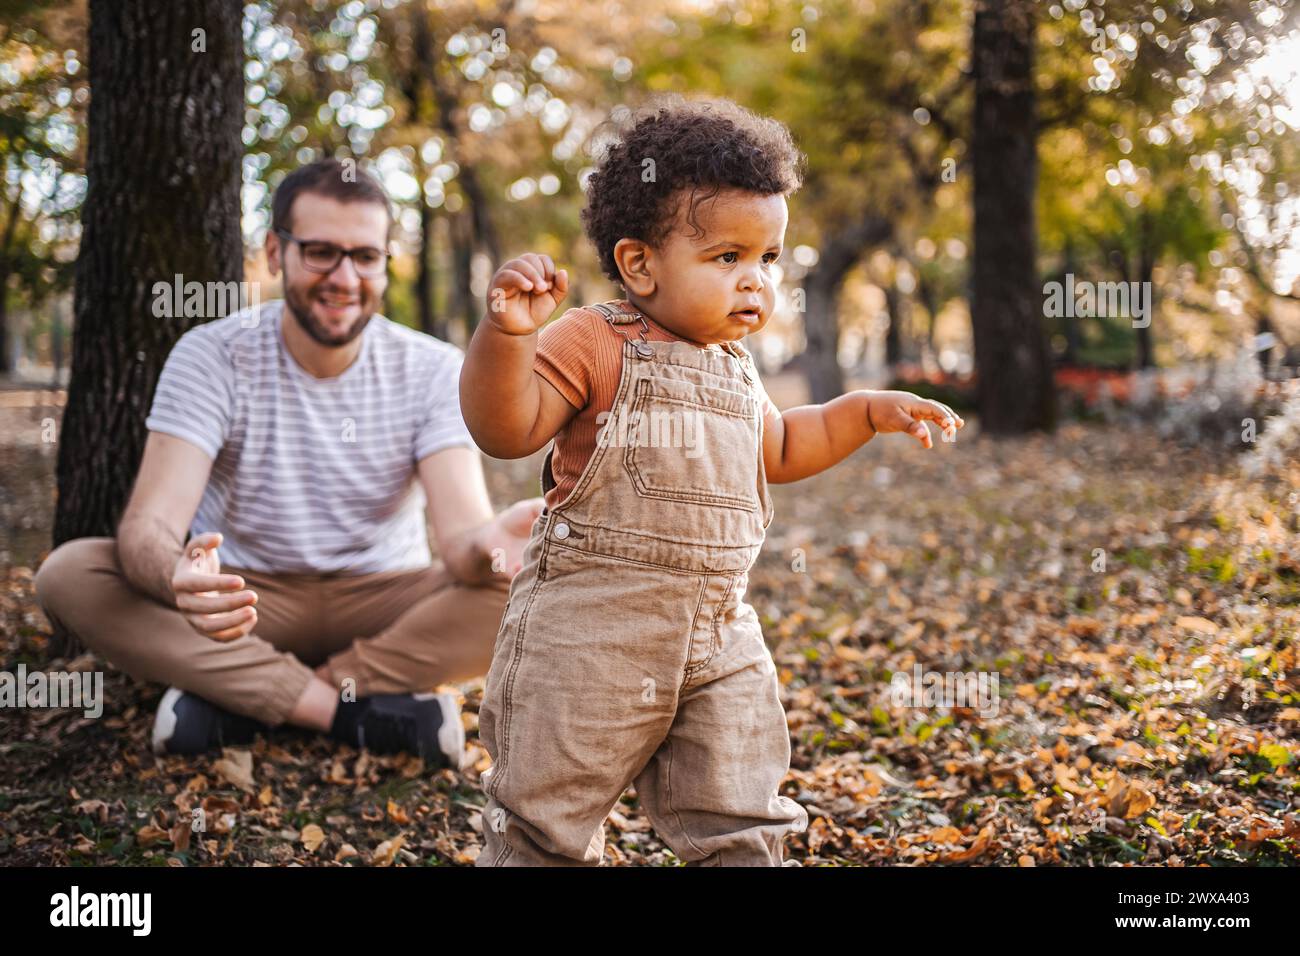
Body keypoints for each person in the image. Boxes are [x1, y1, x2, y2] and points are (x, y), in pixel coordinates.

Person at [458, 95, 965, 865]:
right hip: (588, 634)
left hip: (721, 633)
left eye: (768, 259)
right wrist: (506, 337)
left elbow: (784, 445)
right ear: (640, 264)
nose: (755, 281)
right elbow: (506, 428)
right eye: (727, 258)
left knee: (744, 814)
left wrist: (863, 412)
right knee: (545, 820)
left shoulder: (734, 366)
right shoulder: (596, 340)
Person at [35, 159, 541, 767]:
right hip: (246, 601)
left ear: (385, 262)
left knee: (544, 586)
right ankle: (349, 712)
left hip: (387, 603)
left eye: (365, 256)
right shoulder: (212, 356)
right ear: (275, 252)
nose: (345, 278)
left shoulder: (434, 369)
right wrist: (177, 575)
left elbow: (459, 547)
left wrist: (494, 544)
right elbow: (148, 525)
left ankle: (241, 699)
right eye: (321, 252)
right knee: (70, 575)